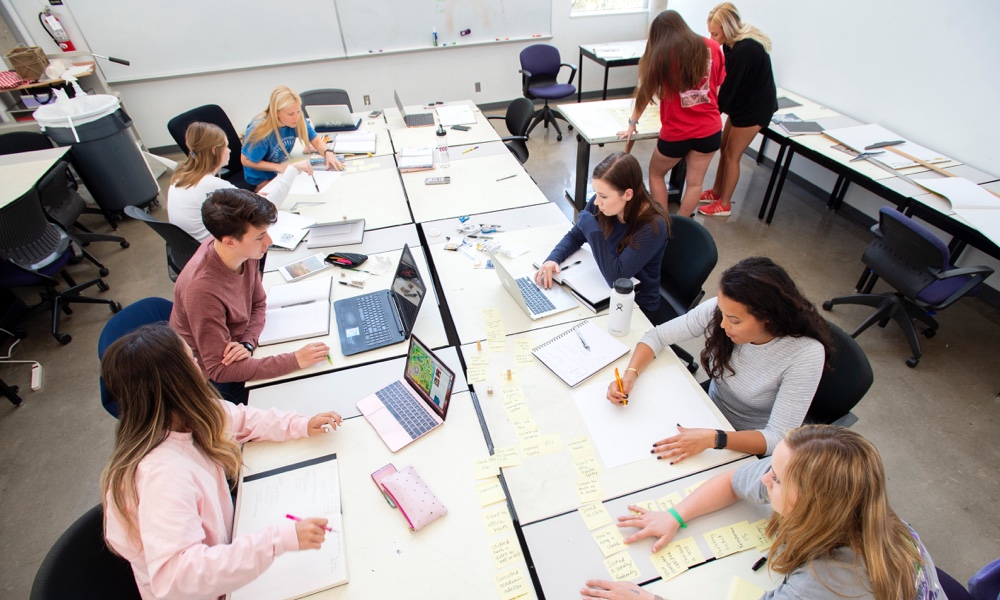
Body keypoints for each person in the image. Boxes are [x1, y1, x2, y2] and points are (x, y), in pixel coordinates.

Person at [101, 323, 343, 600]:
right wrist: (276, 542)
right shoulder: (162, 474)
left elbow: (243, 419)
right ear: (178, 381)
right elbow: (177, 580)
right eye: (191, 358)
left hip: (227, 551)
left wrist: (301, 424)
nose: (199, 363)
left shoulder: (191, 414)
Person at [581, 425, 944, 600]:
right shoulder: (857, 503)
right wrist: (675, 516)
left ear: (814, 503)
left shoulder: (826, 584)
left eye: (779, 479)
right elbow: (736, 479)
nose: (766, 477)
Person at [607, 257, 829, 462]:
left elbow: (777, 438)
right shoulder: (722, 311)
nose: (722, 325)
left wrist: (715, 439)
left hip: (746, 442)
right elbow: (657, 335)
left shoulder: (805, 354)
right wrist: (630, 375)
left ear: (768, 319)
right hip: (706, 410)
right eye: (722, 313)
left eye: (734, 320)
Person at [169, 188, 330, 404]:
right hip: (211, 383)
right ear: (229, 242)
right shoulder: (200, 290)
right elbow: (217, 369)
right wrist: (293, 360)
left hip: (241, 348)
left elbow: (258, 303)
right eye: (261, 236)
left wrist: (247, 343)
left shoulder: (246, 251)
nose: (269, 242)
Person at [535, 152, 670, 319]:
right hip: (601, 292)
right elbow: (576, 236)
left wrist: (591, 228)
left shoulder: (653, 226)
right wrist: (552, 259)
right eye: (596, 193)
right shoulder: (603, 204)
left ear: (628, 194)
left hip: (636, 305)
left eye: (604, 196)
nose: (596, 201)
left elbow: (617, 278)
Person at [620, 10, 726, 217]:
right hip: (710, 130)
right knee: (695, 184)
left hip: (677, 131)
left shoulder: (663, 54)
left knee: (656, 174)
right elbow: (717, 88)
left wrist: (633, 122)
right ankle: (683, 225)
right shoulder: (713, 48)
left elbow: (645, 93)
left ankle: (664, 224)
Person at [698, 3, 777, 217]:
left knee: (733, 154)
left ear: (728, 27)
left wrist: (708, 115)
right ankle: (715, 191)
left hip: (755, 108)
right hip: (742, 103)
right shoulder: (729, 45)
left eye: (715, 33)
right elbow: (725, 82)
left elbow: (728, 90)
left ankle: (724, 204)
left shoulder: (745, 50)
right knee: (724, 147)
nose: (713, 38)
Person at [168, 121, 304, 241]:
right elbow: (267, 210)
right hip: (215, 251)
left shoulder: (180, 176)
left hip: (195, 247)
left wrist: (250, 198)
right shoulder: (213, 185)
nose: (229, 150)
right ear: (215, 151)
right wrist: (292, 171)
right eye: (226, 146)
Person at [242, 85, 344, 191]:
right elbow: (245, 160)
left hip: (281, 172)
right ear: (276, 112)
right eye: (290, 114)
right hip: (261, 181)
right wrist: (279, 168)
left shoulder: (297, 118)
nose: (296, 118)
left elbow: (316, 141)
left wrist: (328, 153)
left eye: (298, 112)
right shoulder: (260, 129)